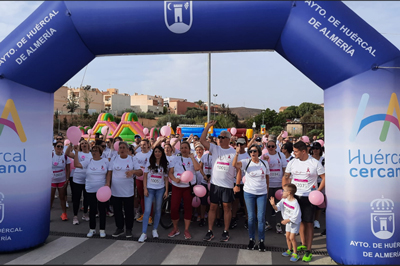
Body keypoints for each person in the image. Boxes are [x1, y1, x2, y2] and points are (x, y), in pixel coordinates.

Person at [282, 141, 325, 262]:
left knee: (309, 223)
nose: (293, 153)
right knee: (299, 222)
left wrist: (318, 191)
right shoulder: (292, 162)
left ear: (303, 151)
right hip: (295, 197)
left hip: (309, 197)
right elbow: (286, 176)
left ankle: (308, 250)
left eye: (295, 151)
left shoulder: (314, 163)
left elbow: (324, 178)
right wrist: (285, 191)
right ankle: (304, 243)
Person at [200, 121, 237, 242]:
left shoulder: (233, 152)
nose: (220, 139)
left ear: (228, 139)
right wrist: (208, 127)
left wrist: (237, 184)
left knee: (227, 208)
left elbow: (239, 168)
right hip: (215, 185)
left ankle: (226, 231)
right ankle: (210, 231)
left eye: (222, 137)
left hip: (227, 185)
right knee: (212, 208)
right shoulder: (215, 148)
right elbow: (202, 141)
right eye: (219, 137)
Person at [233, 144, 270, 251]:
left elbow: (267, 178)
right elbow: (234, 164)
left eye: (255, 151)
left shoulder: (265, 163)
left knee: (261, 218)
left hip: (262, 193)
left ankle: (261, 241)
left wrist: (267, 191)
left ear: (258, 152)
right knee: (251, 217)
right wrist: (236, 153)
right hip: (249, 193)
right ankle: (251, 239)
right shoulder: (246, 162)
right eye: (251, 151)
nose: (253, 153)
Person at [73, 144, 111, 238]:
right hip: (90, 189)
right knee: (92, 210)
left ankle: (102, 229)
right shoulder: (88, 160)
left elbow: (109, 172)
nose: (94, 152)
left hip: (102, 190)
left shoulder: (105, 161)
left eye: (96, 151)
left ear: (100, 152)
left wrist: (108, 183)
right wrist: (76, 152)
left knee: (102, 210)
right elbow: (76, 165)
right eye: (93, 151)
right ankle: (92, 229)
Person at [109, 141, 143, 238]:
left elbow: (140, 172)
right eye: (121, 148)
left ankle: (129, 229)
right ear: (118, 150)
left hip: (128, 191)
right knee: (117, 210)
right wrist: (108, 184)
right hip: (115, 190)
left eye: (124, 147)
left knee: (129, 211)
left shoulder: (132, 159)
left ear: (128, 150)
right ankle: (119, 228)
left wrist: (133, 171)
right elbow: (109, 172)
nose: (122, 149)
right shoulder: (114, 159)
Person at [167, 141, 200, 239]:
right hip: (177, 187)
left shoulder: (192, 158)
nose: (184, 149)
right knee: (174, 208)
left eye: (186, 147)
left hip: (188, 187)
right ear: (180, 149)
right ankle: (175, 228)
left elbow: (197, 168)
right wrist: (174, 179)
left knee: (188, 208)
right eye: (182, 148)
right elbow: (170, 173)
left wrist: (192, 157)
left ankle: (186, 230)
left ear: (189, 149)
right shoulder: (175, 159)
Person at [138, 146, 169, 242]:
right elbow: (145, 176)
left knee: (158, 209)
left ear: (162, 153)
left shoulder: (165, 164)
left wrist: (167, 191)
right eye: (155, 151)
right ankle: (144, 233)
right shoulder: (149, 162)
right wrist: (145, 188)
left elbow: (166, 178)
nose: (157, 153)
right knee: (147, 211)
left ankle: (155, 230)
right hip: (150, 189)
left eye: (159, 151)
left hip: (160, 189)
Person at [270, 184, 302, 262]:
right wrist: (273, 205)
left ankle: (295, 253)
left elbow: (296, 215)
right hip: (287, 222)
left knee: (292, 238)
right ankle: (289, 250)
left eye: (284, 190)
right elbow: (277, 208)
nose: (282, 192)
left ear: (289, 192)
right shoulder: (284, 200)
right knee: (287, 236)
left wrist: (287, 220)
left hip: (294, 222)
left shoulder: (295, 203)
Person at [65, 139, 92, 224]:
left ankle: (85, 214)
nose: (84, 144)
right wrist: (71, 144)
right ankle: (75, 216)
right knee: (76, 198)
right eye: (82, 143)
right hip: (77, 179)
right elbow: (67, 154)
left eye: (85, 143)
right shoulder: (78, 153)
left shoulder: (92, 154)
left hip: (88, 179)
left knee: (87, 198)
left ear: (88, 145)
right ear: (80, 146)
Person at [264, 139, 287, 233]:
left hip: (279, 185)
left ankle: (278, 224)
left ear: (276, 147)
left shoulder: (281, 155)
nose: (270, 148)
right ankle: (267, 223)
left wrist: (284, 184)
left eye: (272, 146)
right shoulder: (264, 156)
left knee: (279, 205)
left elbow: (285, 169)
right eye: (268, 146)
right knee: (268, 205)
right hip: (268, 185)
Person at [231, 136, 249, 230]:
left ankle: (247, 219)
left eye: (241, 144)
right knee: (235, 201)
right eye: (238, 144)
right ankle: (233, 218)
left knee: (246, 202)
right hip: (234, 182)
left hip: (246, 183)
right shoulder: (233, 154)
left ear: (245, 145)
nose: (239, 146)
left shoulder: (249, 155)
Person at [51, 141, 70, 221]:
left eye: (61, 147)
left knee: (62, 197)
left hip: (62, 179)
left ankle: (64, 214)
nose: (59, 148)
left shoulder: (65, 157)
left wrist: (67, 179)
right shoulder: (51, 155)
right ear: (55, 147)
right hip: (52, 180)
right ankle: (47, 216)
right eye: (58, 146)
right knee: (50, 198)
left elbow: (68, 169)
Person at [310, 142, 325, 231]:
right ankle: (310, 220)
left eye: (317, 149)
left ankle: (316, 220)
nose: (315, 150)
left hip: (321, 183)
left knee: (319, 203)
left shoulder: (323, 160)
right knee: (310, 203)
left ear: (320, 150)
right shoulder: (309, 159)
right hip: (311, 183)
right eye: (314, 148)